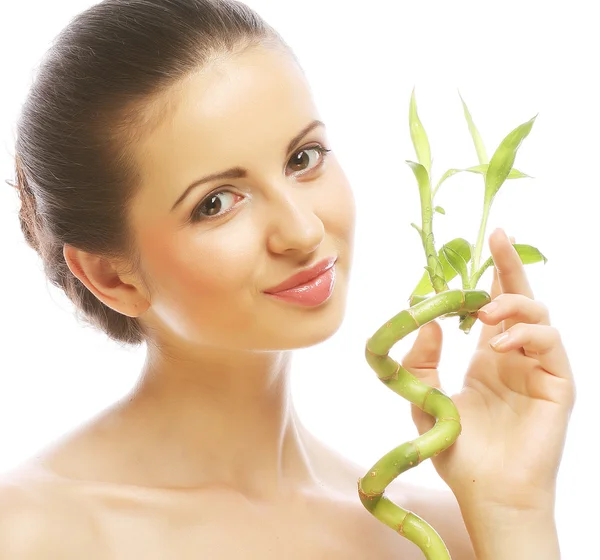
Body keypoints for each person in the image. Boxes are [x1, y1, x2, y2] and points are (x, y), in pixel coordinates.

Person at [1, 0, 575, 558]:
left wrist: (514, 512)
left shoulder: (449, 529)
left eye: (303, 159)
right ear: (112, 277)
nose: (301, 231)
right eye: (217, 202)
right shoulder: (29, 534)